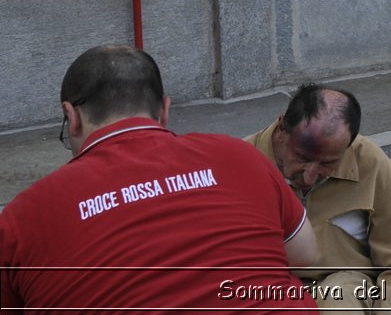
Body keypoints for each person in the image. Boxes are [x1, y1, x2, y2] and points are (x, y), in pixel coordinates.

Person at [0, 45, 319, 312]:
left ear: (71, 118)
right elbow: (305, 256)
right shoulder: (239, 155)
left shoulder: (21, 220)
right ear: (165, 111)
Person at [248, 85, 391, 311]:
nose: (310, 177)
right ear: (282, 130)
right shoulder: (240, 162)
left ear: (348, 146)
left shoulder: (374, 166)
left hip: (342, 282)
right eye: (302, 157)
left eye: (327, 163)